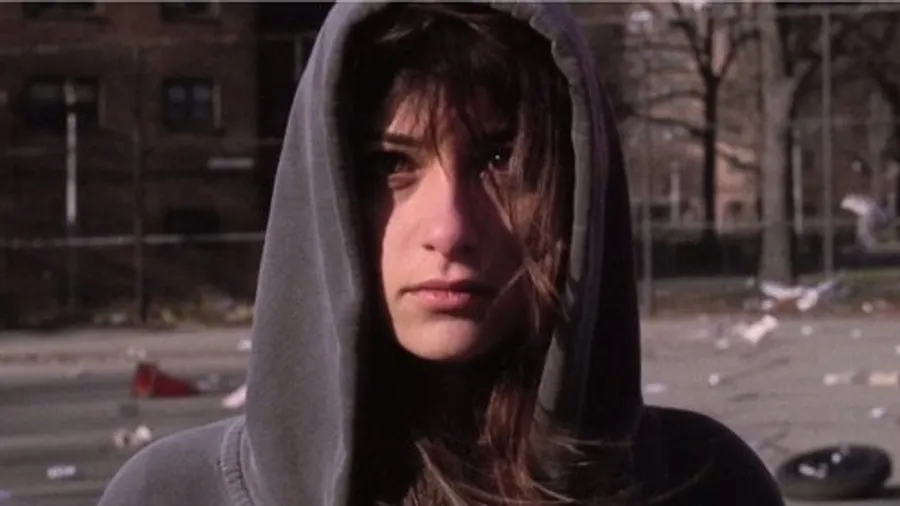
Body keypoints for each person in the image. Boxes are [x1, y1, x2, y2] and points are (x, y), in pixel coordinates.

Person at [98, 3, 784, 505]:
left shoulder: (704, 485)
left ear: (574, 187)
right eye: (390, 164)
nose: (449, 229)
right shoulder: (171, 495)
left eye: (499, 161)